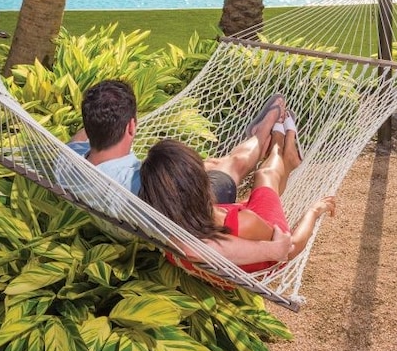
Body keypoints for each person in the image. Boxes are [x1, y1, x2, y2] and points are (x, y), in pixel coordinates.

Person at [67, 79, 292, 267]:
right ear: (131, 127)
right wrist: (272, 250)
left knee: (209, 165)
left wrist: (99, 117)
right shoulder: (141, 195)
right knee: (230, 165)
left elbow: (79, 139)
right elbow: (193, 246)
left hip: (152, 190)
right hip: (182, 200)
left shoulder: (67, 163)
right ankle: (259, 136)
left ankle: (253, 142)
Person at [139, 117, 335, 273]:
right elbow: (289, 249)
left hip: (221, 219)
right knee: (265, 176)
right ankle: (281, 148)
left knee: (257, 192)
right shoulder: (245, 222)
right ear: (202, 182)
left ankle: (280, 149)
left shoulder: (167, 229)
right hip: (262, 241)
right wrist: (314, 211)